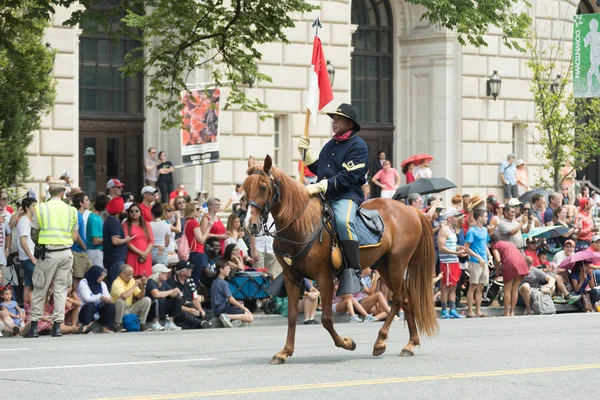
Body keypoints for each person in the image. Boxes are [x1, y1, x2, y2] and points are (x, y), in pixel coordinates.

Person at [297, 103, 368, 295]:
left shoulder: (358, 146)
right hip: (324, 194)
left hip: (346, 194)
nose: (334, 122)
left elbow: (348, 176)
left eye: (338, 119)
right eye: (334, 119)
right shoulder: (330, 145)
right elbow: (320, 169)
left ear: (349, 123)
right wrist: (306, 154)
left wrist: (322, 185)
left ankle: (353, 270)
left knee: (343, 222)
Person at [25, 180, 78, 338]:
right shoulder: (72, 210)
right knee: (61, 290)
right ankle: (57, 327)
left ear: (50, 193)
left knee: (40, 288)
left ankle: (34, 327)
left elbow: (34, 233)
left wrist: (39, 243)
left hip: (48, 253)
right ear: (62, 194)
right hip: (66, 253)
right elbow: (74, 236)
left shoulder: (40, 208)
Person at [489, 235, 529, 316]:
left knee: (507, 289)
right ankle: (512, 312)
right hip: (521, 261)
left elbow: (497, 259)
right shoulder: (509, 243)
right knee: (515, 289)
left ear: (492, 242)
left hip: (510, 262)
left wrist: (497, 270)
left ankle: (506, 312)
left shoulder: (495, 246)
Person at [438, 209, 467, 319]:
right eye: (455, 217)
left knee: (453, 286)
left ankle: (453, 310)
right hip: (447, 262)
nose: (458, 219)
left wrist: (458, 248)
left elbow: (450, 245)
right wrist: (456, 252)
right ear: (449, 218)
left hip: (454, 261)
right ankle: (444, 311)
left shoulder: (452, 230)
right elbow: (441, 247)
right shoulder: (444, 230)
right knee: (445, 286)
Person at [464, 209, 492, 318]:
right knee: (473, 286)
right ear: (480, 217)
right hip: (475, 262)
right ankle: (470, 311)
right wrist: (477, 257)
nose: (486, 218)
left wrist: (489, 256)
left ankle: (478, 310)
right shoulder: (472, 231)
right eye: (485, 216)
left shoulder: (484, 230)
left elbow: (484, 244)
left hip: (484, 261)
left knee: (481, 287)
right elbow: (467, 247)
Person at [167, 260, 211, 329]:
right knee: (182, 312)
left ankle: (193, 323)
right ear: (182, 272)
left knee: (210, 312)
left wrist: (200, 309)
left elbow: (195, 298)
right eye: (189, 269)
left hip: (191, 307)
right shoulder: (171, 282)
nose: (191, 270)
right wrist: (189, 310)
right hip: (180, 309)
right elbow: (173, 304)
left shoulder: (190, 280)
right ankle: (200, 323)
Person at [210, 260, 254, 328]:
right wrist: (244, 308)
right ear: (221, 269)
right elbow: (231, 299)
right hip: (222, 309)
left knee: (240, 312)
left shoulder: (215, 282)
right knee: (250, 317)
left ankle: (232, 320)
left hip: (216, 309)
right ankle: (227, 316)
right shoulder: (223, 283)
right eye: (227, 268)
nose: (229, 270)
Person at [103, 197, 134, 290]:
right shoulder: (114, 222)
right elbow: (115, 241)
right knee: (116, 285)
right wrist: (126, 239)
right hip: (116, 259)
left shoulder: (109, 220)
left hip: (113, 259)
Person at [110, 264, 151, 332]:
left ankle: (141, 324)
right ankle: (117, 325)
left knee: (147, 300)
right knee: (121, 300)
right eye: (129, 275)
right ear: (122, 274)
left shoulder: (131, 280)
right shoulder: (116, 282)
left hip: (129, 308)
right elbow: (124, 296)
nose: (131, 277)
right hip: (118, 310)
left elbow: (140, 296)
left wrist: (143, 285)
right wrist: (135, 286)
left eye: (132, 274)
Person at [78, 265, 116, 333]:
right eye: (101, 275)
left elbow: (107, 295)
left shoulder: (102, 284)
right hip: (85, 312)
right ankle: (86, 327)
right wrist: (100, 297)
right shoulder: (84, 283)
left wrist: (109, 299)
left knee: (110, 306)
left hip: (98, 312)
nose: (103, 277)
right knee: (90, 305)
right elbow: (87, 298)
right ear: (95, 275)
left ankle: (106, 327)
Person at [146, 264, 182, 331]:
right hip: (151, 308)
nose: (167, 274)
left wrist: (177, 294)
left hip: (161, 307)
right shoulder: (151, 281)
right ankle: (155, 323)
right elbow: (156, 294)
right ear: (158, 273)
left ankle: (170, 322)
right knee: (159, 298)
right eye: (164, 273)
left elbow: (172, 294)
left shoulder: (164, 282)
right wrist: (172, 290)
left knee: (177, 299)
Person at [122, 203, 154, 278]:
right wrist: (140, 253)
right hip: (132, 255)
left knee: (144, 279)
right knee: (132, 278)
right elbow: (127, 242)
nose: (134, 213)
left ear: (140, 212)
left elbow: (151, 241)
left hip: (146, 256)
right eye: (131, 211)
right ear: (128, 213)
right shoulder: (125, 224)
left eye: (136, 211)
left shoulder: (146, 224)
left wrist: (145, 253)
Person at [16, 197, 37, 306]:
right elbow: (23, 241)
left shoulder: (30, 220)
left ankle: (27, 310)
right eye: (34, 206)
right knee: (40, 282)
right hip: (28, 258)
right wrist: (32, 258)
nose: (35, 208)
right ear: (27, 208)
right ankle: (37, 310)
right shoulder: (24, 221)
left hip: (30, 257)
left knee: (28, 284)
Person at [184, 201, 210, 285]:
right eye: (197, 209)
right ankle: (193, 296)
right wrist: (209, 227)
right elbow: (201, 239)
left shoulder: (188, 222)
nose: (200, 210)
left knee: (193, 277)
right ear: (192, 211)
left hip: (193, 252)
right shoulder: (193, 222)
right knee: (195, 277)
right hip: (196, 252)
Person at [71, 192, 92, 292]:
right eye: (87, 200)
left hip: (81, 251)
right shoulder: (78, 215)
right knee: (77, 278)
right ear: (81, 203)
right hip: (78, 250)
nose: (89, 202)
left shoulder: (80, 215)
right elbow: (76, 233)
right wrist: (83, 245)